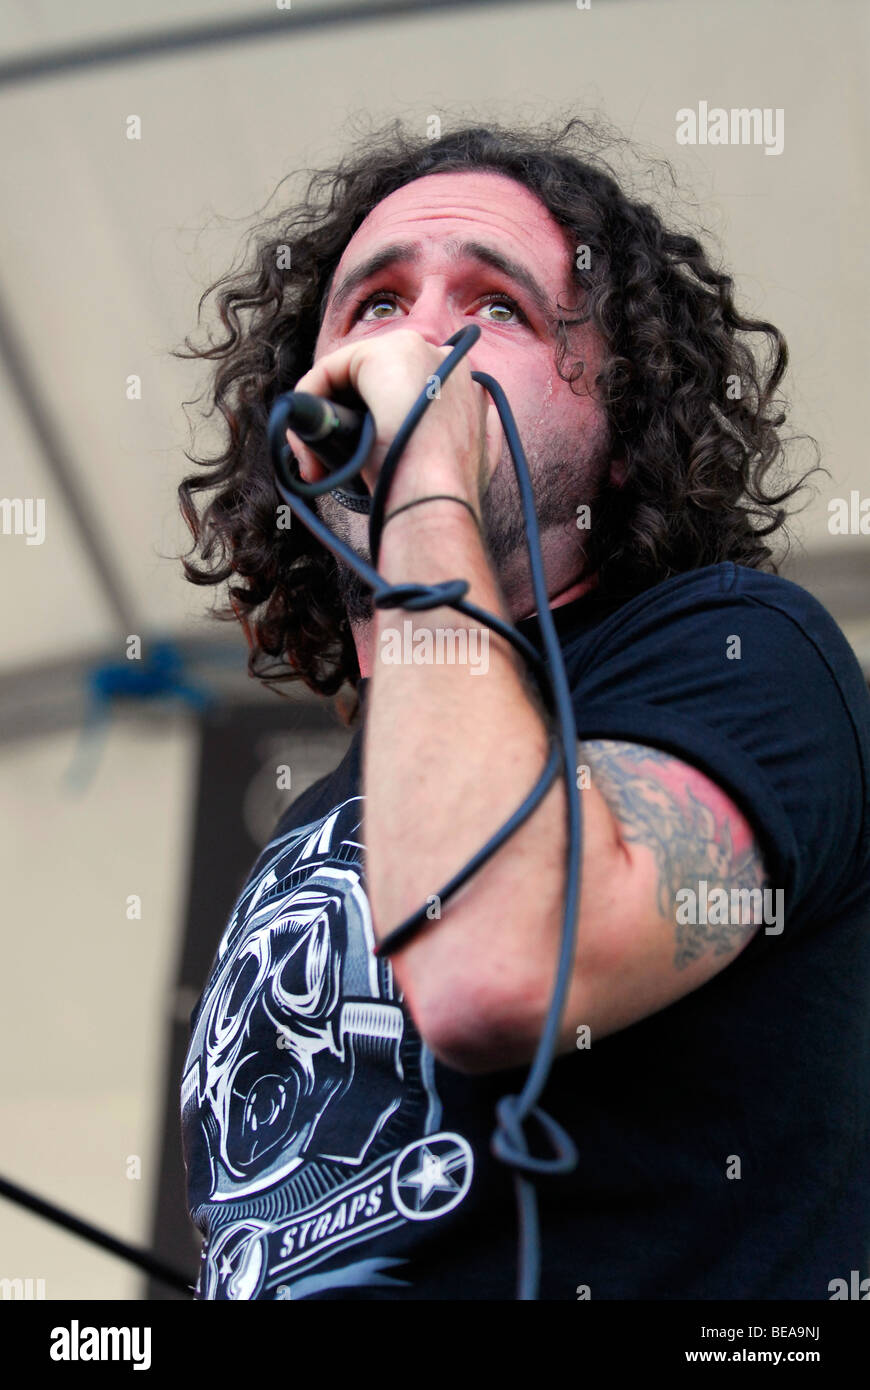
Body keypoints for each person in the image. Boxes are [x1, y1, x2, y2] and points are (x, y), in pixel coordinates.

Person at [175, 118, 870, 1300]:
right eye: (375, 306)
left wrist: (424, 472)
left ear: (618, 431)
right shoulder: (320, 829)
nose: (424, 335)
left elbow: (496, 968)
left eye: (497, 307)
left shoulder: (742, 653)